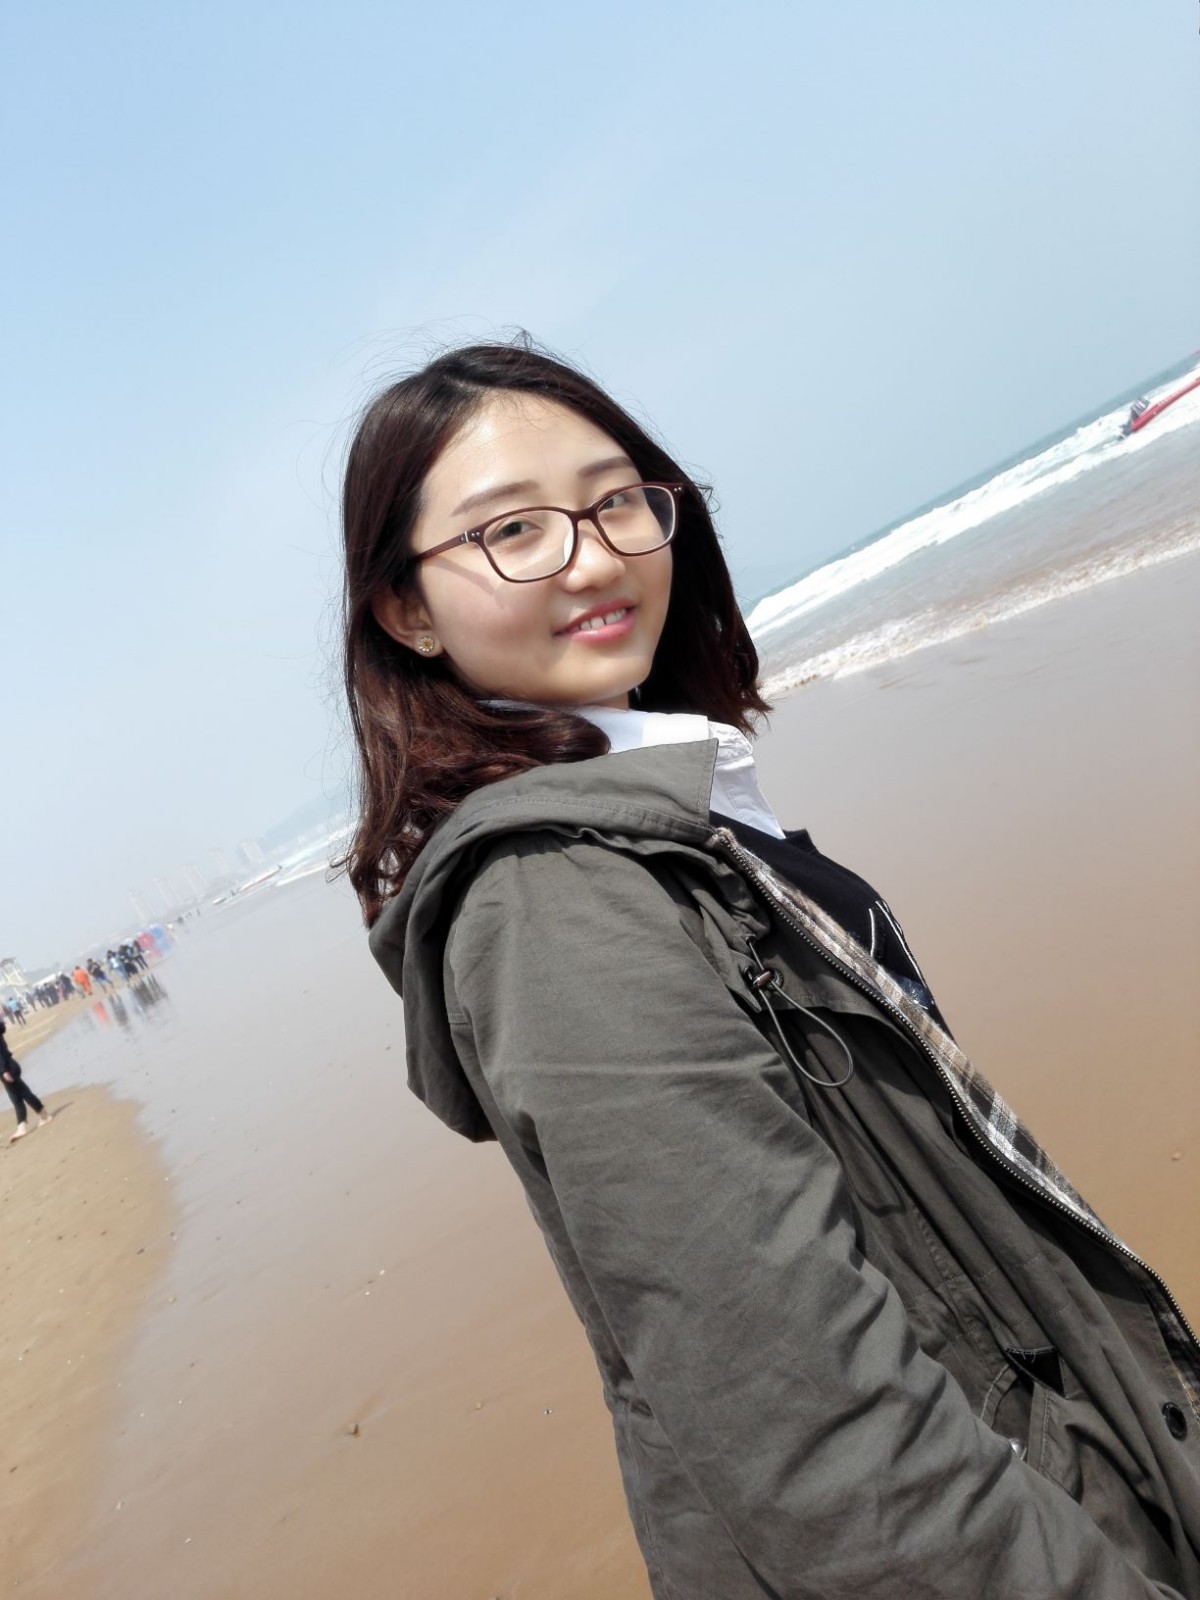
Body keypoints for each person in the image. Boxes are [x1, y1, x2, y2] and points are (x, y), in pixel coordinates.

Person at [339, 340, 1200, 1599]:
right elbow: (823, 1437)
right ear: (406, 610)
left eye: (616, 500)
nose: (593, 555)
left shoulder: (659, 814)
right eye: (512, 530)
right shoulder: (559, 898)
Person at [0, 1015, 52, 1142]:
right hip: (9, 1065)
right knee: (17, 1096)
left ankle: (40, 1118)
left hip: (7, 1068)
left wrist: (4, 1071)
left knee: (21, 1095)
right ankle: (28, 1123)